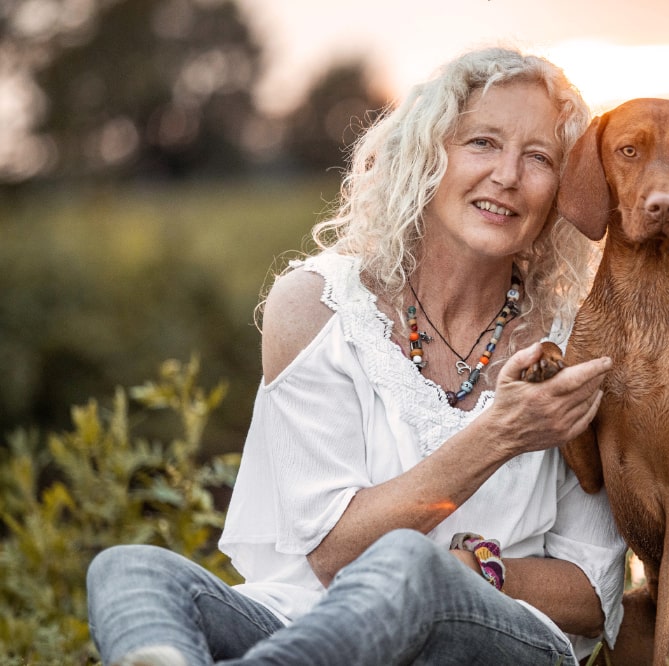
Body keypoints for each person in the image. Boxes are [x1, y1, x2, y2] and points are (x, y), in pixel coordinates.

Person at [87, 46, 626, 666]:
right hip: (310, 624)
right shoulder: (320, 308)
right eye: (482, 142)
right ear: (427, 154)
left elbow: (593, 593)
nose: (507, 174)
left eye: (538, 158)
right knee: (131, 571)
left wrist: (474, 568)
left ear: (562, 191)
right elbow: (335, 554)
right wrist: (502, 434)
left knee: (409, 561)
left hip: (498, 640)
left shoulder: (581, 343)